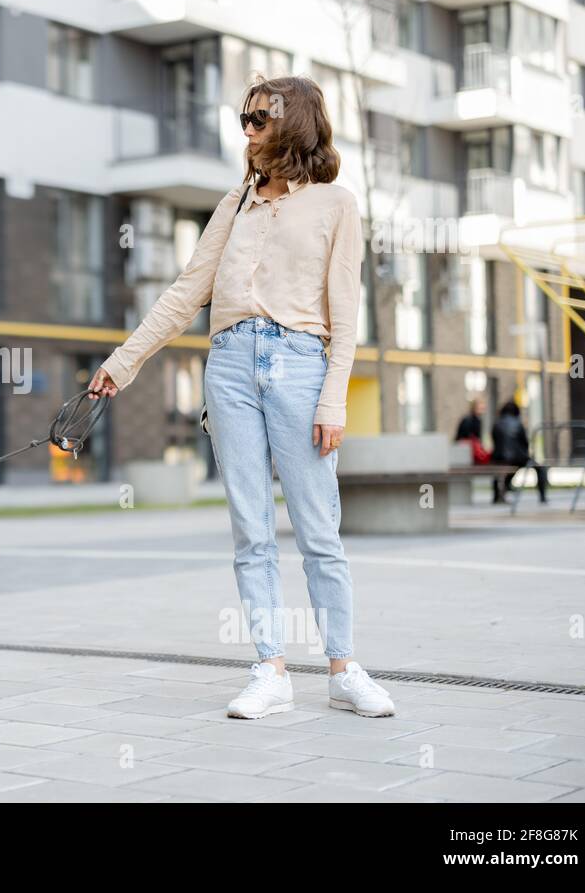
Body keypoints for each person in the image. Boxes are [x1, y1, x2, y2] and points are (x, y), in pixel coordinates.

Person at [88, 75, 395, 720]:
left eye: (260, 118)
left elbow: (346, 311)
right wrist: (124, 362)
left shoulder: (336, 205)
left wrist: (333, 398)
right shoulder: (233, 205)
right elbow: (185, 291)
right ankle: (270, 669)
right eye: (245, 118)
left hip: (300, 364)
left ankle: (343, 667)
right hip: (228, 365)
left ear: (296, 125)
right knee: (251, 532)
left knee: (319, 529)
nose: (248, 129)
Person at [491, 400, 549, 504]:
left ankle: (496, 496)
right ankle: (542, 497)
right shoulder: (518, 423)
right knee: (540, 469)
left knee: (502, 472)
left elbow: (494, 441)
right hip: (517, 458)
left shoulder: (497, 424)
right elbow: (525, 442)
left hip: (499, 458)